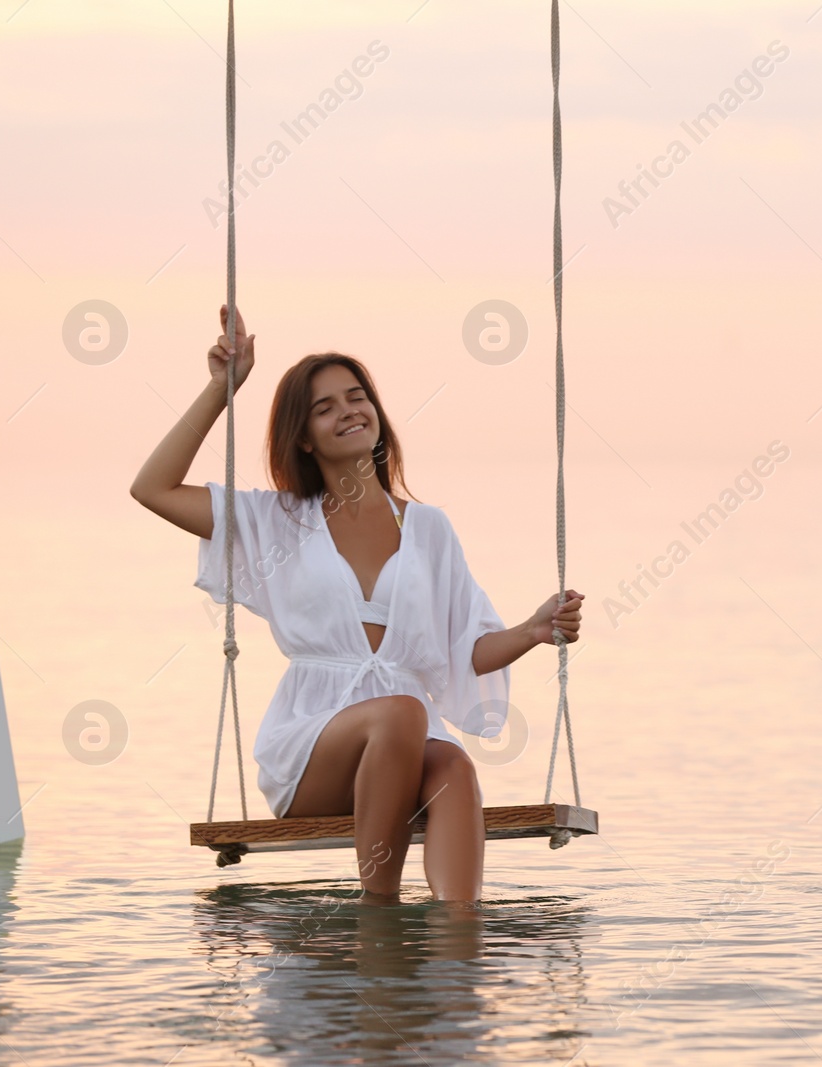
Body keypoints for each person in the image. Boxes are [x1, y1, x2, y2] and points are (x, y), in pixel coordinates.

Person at [131, 306, 583, 904]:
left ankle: (457, 950)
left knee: (454, 767)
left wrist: (533, 628)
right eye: (325, 407)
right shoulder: (276, 520)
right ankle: (380, 919)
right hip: (314, 749)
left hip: (406, 738)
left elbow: (466, 650)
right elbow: (152, 488)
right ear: (302, 435)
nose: (348, 411)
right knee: (402, 714)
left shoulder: (428, 529)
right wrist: (223, 388)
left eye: (356, 396)